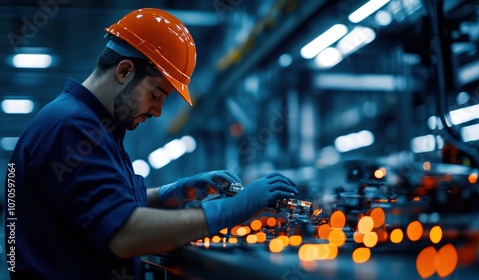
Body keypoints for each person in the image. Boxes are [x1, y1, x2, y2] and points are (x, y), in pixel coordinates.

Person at [4, 8, 298, 280]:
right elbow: (125, 234)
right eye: (156, 93)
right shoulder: (75, 129)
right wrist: (233, 209)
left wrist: (173, 193)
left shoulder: (87, 124)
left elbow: (100, 205)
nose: (157, 110)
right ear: (124, 71)